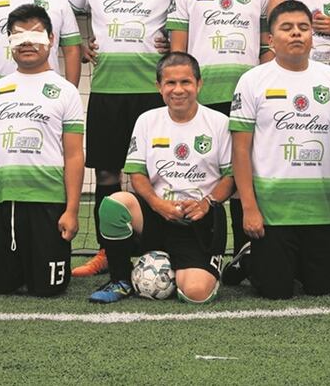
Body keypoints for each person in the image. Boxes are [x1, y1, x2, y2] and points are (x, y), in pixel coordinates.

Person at [67, 0, 185, 277]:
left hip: (153, 94)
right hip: (107, 91)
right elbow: (66, 13)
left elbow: (191, 14)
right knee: (106, 174)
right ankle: (108, 251)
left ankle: (161, 248)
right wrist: (80, 45)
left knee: (159, 173)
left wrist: (174, 41)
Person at [168, 0, 272, 284]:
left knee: (245, 176)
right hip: (204, 100)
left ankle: (248, 255)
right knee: (209, 175)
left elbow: (266, 47)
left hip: (245, 101)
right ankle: (210, 252)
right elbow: (177, 51)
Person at [230, 0, 330, 299]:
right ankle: (251, 258)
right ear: (271, 40)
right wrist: (249, 208)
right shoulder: (252, 81)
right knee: (275, 291)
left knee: (323, 290)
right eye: (287, 28)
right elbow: (240, 151)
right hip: (272, 214)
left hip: (321, 212)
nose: (296, 34)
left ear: (312, 35)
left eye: (303, 28)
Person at [89, 52, 234, 304]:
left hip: (199, 219)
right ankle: (121, 279)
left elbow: (231, 177)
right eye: (170, 83)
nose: (178, 90)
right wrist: (157, 204)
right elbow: (137, 172)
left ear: (199, 84)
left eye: (186, 82)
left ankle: (200, 265)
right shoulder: (147, 120)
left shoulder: (219, 123)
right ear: (159, 86)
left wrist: (207, 203)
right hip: (158, 213)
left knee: (197, 294)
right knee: (114, 203)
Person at [0, 5, 84, 297]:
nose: (27, 42)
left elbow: (74, 156)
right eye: (18, 36)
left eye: (35, 34)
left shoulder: (66, 91)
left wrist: (72, 210)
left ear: (52, 39)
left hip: (48, 202)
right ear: (9, 42)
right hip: (1, 203)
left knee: (48, 290)